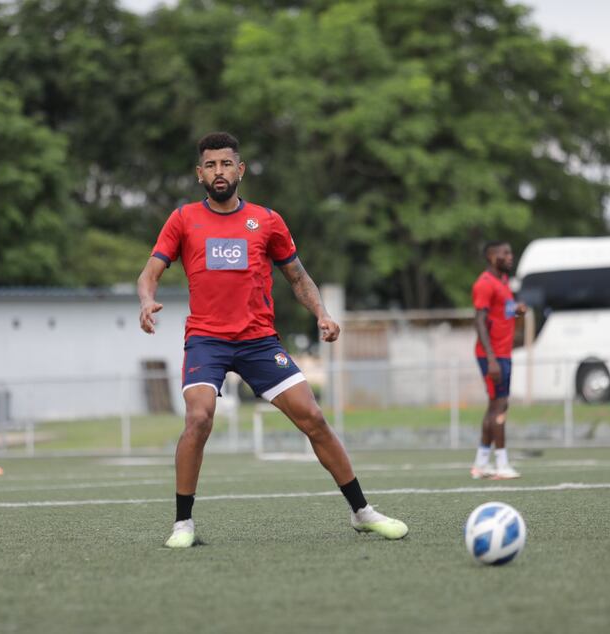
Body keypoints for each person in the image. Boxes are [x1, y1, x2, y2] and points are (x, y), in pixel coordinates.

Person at [138, 132, 408, 548]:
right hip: (207, 340)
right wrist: (146, 301)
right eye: (210, 165)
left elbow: (298, 277)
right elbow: (150, 273)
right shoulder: (183, 219)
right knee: (199, 418)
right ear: (199, 174)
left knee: (314, 418)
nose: (219, 172)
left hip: (258, 341)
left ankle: (362, 512)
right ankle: (182, 524)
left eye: (226, 164)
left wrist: (321, 314)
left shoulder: (266, 221)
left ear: (240, 170)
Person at [469, 241, 526, 480]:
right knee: (500, 406)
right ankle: (501, 464)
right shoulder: (484, 284)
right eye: (506, 253)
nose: (510, 257)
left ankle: (481, 464)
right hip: (492, 355)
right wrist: (491, 359)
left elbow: (500, 311)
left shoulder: (502, 282)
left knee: (495, 405)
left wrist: (516, 309)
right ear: (492, 257)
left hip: (503, 353)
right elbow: (480, 321)